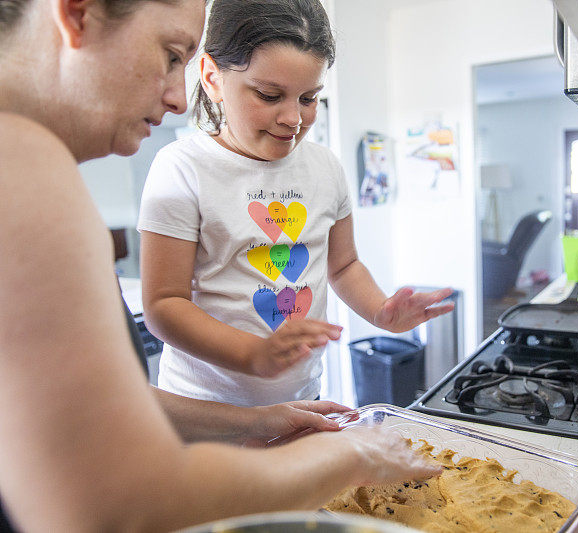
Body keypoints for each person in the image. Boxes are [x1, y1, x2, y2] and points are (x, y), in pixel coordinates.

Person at [0, 0, 441, 530]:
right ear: (78, 14)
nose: (174, 96)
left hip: (277, 409)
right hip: (209, 411)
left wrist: (261, 420)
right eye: (169, 55)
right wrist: (352, 455)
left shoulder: (29, 166)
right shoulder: (28, 172)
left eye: (309, 98)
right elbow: (117, 504)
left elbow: (95, 413)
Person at [138, 0, 454, 407]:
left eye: (309, 98)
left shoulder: (325, 167)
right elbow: (164, 305)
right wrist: (251, 354)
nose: (293, 118)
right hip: (206, 412)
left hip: (303, 399)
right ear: (212, 76)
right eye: (270, 95)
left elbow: (343, 265)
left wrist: (380, 311)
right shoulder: (182, 169)